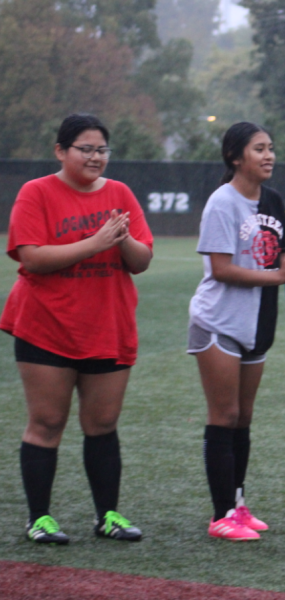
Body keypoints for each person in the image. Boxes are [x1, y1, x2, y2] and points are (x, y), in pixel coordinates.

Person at [0, 113, 153, 545]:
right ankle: (40, 519)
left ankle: (108, 516)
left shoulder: (121, 193)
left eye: (101, 149)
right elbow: (30, 256)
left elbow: (141, 261)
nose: (94, 157)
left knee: (102, 424)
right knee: (47, 422)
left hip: (107, 324)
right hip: (46, 326)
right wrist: (95, 242)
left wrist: (120, 238)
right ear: (60, 151)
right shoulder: (37, 192)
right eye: (84, 149)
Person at [187, 122, 285, 541]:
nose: (269, 155)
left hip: (256, 323)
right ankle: (220, 515)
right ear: (235, 157)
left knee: (243, 418)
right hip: (218, 320)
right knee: (223, 416)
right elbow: (221, 269)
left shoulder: (274, 200)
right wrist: (279, 277)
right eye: (259, 149)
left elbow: (273, 257)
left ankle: (238, 505)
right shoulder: (222, 203)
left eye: (271, 148)